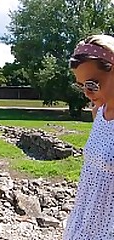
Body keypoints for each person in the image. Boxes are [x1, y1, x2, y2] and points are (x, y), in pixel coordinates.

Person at [63, 34, 114, 240]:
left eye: (92, 84)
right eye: (81, 85)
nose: (86, 92)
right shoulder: (98, 115)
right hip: (81, 224)